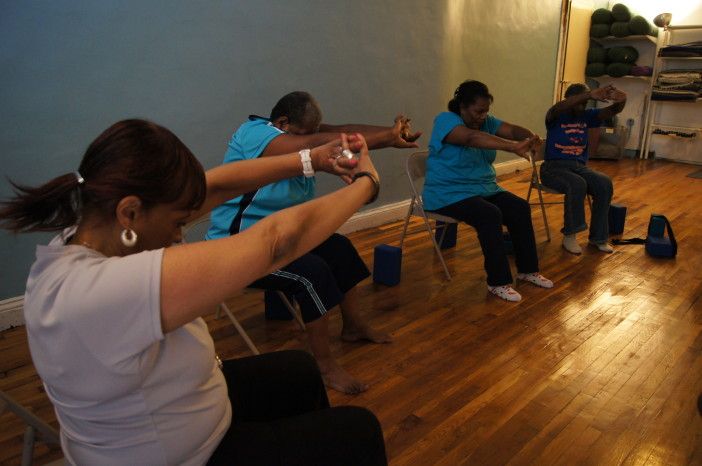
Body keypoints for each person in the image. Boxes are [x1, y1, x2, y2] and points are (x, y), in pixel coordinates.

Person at [0, 119, 387, 465]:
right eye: (178, 222)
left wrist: (311, 159)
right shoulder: (98, 293)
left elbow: (214, 185)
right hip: (181, 456)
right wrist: (367, 184)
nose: (180, 234)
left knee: (299, 372)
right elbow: (277, 243)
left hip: (189, 408)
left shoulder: (86, 230)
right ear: (129, 213)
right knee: (358, 430)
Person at [207, 91, 421, 394]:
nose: (316, 138)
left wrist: (389, 137)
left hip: (284, 235)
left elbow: (332, 133)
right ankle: (325, 366)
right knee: (312, 273)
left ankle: (354, 326)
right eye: (307, 132)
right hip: (238, 244)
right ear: (282, 122)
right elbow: (311, 144)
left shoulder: (301, 138)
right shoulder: (254, 133)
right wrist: (374, 143)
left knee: (340, 249)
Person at [422, 80, 554, 302]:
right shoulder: (446, 121)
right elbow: (470, 138)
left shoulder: (486, 122)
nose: (482, 116)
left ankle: (528, 270)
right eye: (478, 111)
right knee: (489, 214)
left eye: (485, 111)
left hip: (482, 189)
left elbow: (511, 129)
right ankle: (498, 282)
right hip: (447, 193)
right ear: (462, 106)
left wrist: (530, 136)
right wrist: (512, 147)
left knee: (519, 208)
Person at [540, 83, 626, 254]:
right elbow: (559, 107)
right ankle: (570, 236)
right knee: (577, 184)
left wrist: (621, 100)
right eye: (579, 102)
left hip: (578, 167)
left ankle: (598, 238)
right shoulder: (555, 115)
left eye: (584, 104)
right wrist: (589, 95)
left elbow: (612, 111)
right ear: (569, 100)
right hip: (553, 168)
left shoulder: (587, 116)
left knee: (604, 183)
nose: (581, 107)